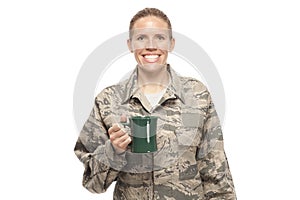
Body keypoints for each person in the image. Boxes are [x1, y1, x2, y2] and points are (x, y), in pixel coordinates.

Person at [74, 7, 236, 200]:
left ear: (171, 43)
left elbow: (216, 172)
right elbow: (94, 184)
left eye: (160, 37)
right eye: (141, 38)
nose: (151, 46)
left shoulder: (197, 94)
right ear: (130, 44)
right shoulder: (108, 100)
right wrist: (114, 150)